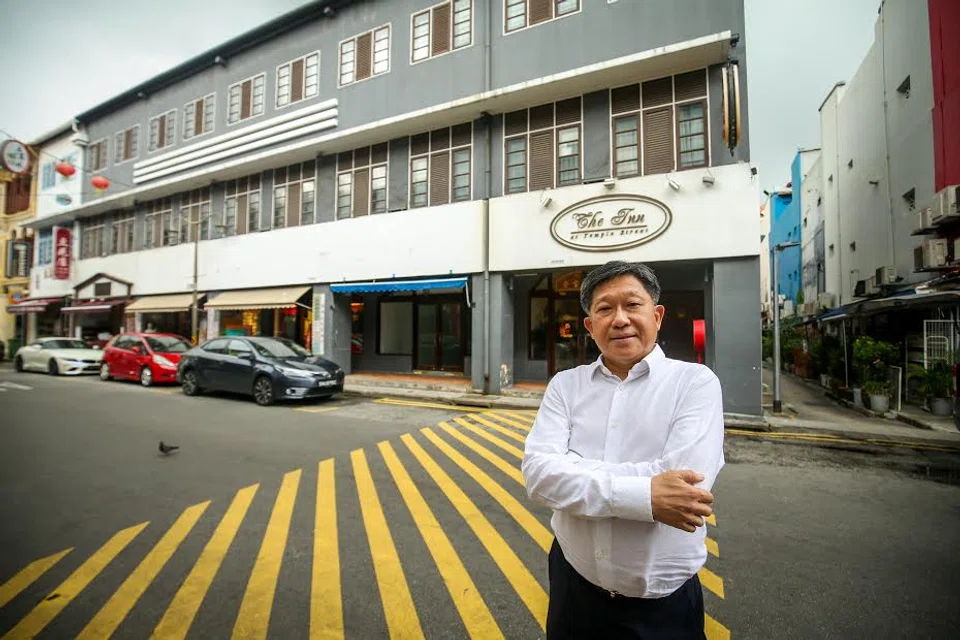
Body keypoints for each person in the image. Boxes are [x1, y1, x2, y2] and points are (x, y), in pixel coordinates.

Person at [522, 260, 724, 639]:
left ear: (657, 315)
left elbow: (686, 491)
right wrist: (647, 494)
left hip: (663, 608)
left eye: (632, 304)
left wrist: (576, 469)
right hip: (573, 589)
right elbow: (538, 478)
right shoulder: (566, 386)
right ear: (589, 325)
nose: (620, 319)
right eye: (604, 309)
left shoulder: (695, 384)